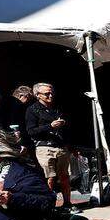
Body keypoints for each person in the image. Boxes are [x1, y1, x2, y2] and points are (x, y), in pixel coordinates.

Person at [26, 83, 78, 212]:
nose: (50, 95)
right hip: (44, 147)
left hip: (61, 146)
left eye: (51, 92)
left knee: (65, 176)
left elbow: (67, 129)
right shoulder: (32, 110)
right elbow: (31, 131)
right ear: (38, 95)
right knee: (49, 177)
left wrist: (70, 145)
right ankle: (49, 206)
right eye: (46, 93)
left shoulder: (57, 108)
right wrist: (50, 126)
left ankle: (67, 203)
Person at [7, 86, 34, 152]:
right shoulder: (17, 105)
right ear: (20, 95)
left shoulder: (6, 103)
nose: (29, 101)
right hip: (15, 137)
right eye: (28, 98)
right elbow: (15, 123)